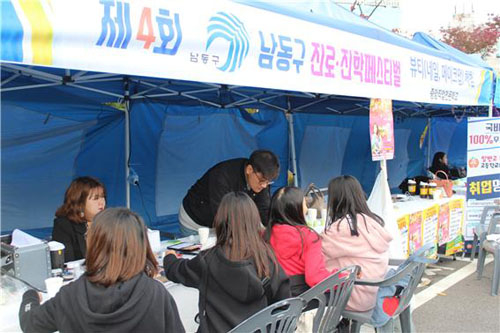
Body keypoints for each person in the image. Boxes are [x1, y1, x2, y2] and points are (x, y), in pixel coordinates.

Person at [19, 208, 185, 332]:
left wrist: (30, 296)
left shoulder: (70, 295)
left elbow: (30, 324)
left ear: (93, 245)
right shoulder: (154, 292)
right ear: (140, 246)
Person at [164, 192, 291, 332]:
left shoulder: (207, 260)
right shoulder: (266, 257)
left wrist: (169, 257)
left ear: (220, 221)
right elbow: (284, 304)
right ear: (254, 220)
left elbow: (175, 270)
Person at [321, 175, 393, 312]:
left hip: (354, 296)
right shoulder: (370, 220)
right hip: (374, 291)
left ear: (336, 199)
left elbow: (318, 253)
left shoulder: (343, 227)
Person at [179, 150, 280, 235]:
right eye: (262, 181)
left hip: (223, 224)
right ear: (249, 169)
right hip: (195, 222)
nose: (264, 186)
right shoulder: (222, 176)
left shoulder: (262, 179)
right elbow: (221, 216)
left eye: (268, 182)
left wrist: (277, 229)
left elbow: (263, 209)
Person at [265, 186, 337, 296]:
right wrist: (342, 276)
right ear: (296, 208)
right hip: (302, 300)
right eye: (304, 204)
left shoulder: (265, 235)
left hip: (273, 300)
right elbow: (315, 278)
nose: (307, 209)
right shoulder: (309, 237)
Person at [52, 176, 106, 262]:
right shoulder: (64, 225)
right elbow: (66, 262)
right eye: (96, 198)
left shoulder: (109, 222)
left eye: (102, 197)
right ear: (80, 203)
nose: (102, 202)